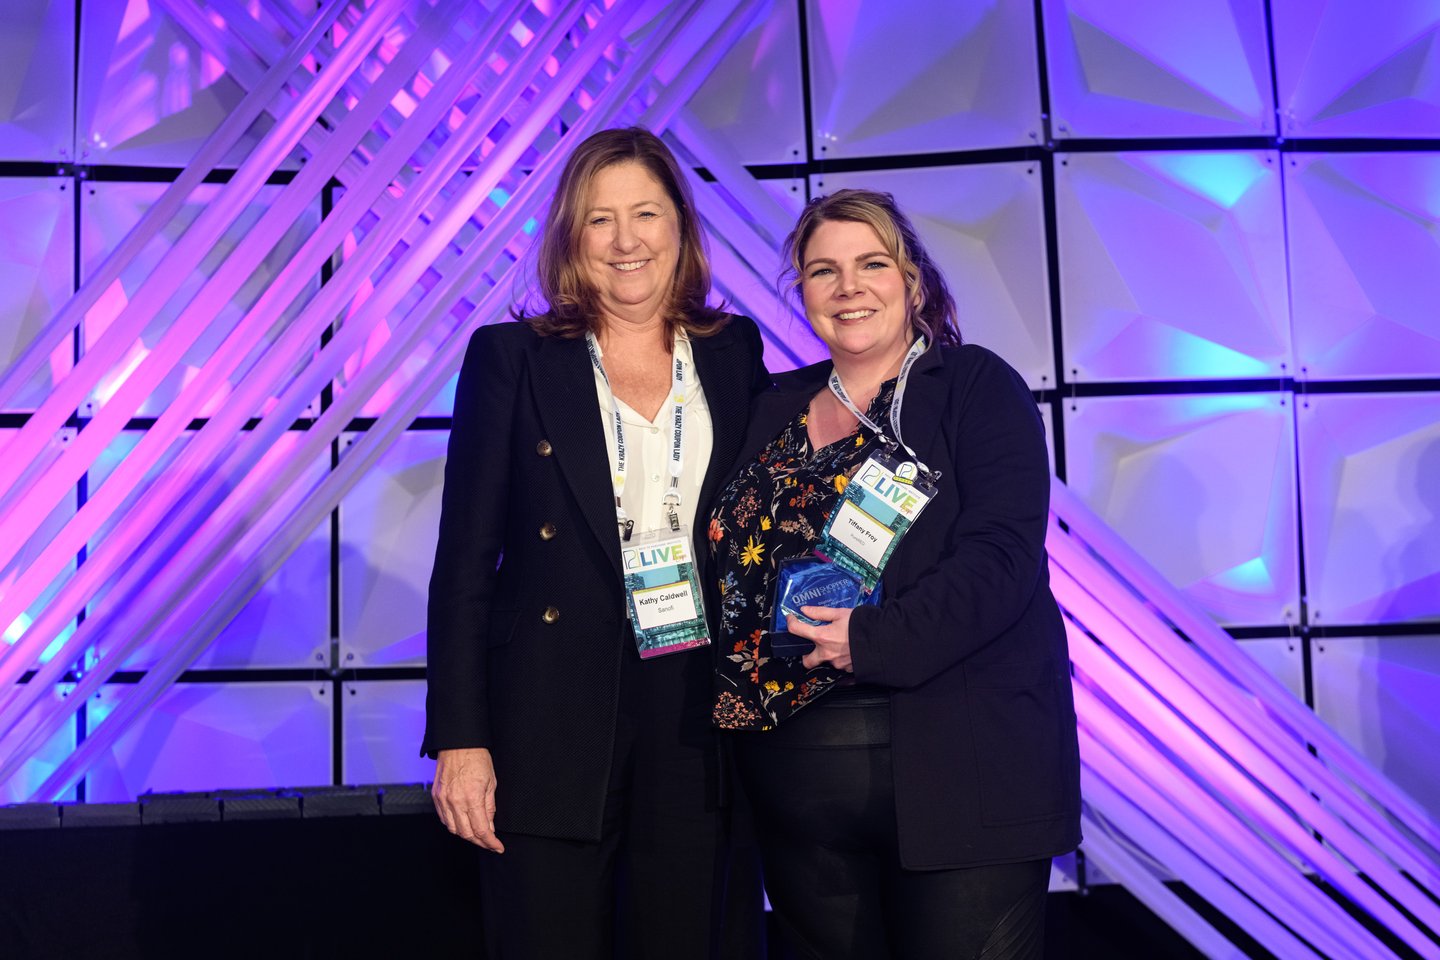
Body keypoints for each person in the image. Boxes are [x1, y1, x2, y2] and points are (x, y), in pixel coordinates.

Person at [423, 126, 768, 959]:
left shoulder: (734, 352)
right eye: (600, 219)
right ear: (570, 237)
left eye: (645, 214)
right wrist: (460, 739)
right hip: (547, 705)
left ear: (680, 227)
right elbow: (464, 562)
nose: (626, 241)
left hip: (695, 699)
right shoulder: (512, 358)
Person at [709, 189, 1081, 959]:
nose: (849, 287)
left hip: (961, 775)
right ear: (801, 293)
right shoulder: (767, 408)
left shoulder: (974, 388)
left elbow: (1003, 560)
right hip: (794, 792)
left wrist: (869, 639)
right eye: (823, 271)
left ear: (913, 281)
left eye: (872, 263)